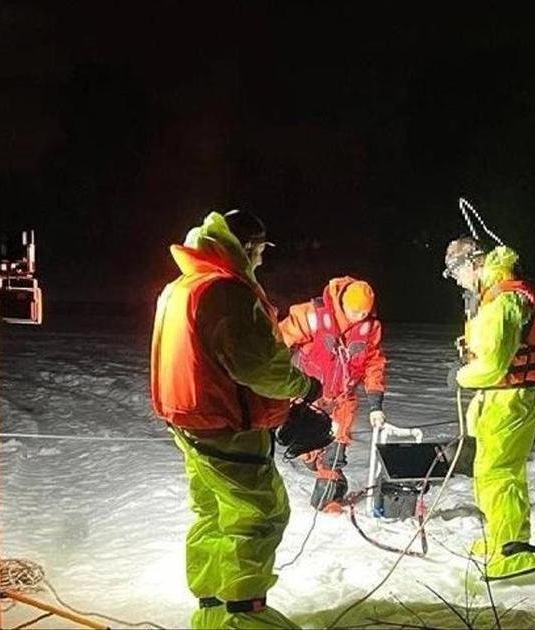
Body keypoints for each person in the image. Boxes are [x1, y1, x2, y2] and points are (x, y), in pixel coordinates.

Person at [150, 209, 325, 629]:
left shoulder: (184, 286)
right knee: (258, 515)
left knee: (213, 511)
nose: (262, 259)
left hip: (192, 421)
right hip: (226, 425)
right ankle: (245, 613)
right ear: (246, 248)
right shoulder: (226, 292)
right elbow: (255, 366)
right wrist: (304, 387)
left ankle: (211, 607)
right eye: (261, 250)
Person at [444, 236, 535, 581]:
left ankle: (512, 551)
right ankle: (504, 539)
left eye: (455, 272)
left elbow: (492, 366)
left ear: (471, 265)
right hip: (504, 399)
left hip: (508, 398)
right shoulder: (497, 297)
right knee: (497, 473)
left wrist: (460, 377)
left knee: (498, 474)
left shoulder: (503, 301)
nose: (456, 281)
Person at [278, 276, 387, 512]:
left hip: (342, 400)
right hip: (307, 396)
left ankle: (329, 497)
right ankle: (318, 465)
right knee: (304, 448)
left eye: (363, 313)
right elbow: (277, 340)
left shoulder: (370, 330)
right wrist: (272, 375)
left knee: (335, 448)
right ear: (343, 304)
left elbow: (374, 365)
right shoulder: (311, 316)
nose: (359, 317)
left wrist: (376, 402)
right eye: (354, 312)